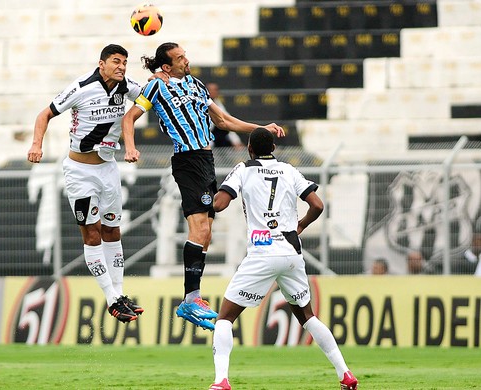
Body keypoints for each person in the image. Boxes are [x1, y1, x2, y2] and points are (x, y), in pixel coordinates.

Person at [122, 42, 285, 331]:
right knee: (199, 229)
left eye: (186, 54)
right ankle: (190, 299)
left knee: (206, 232)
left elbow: (222, 120)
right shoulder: (156, 87)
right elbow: (130, 117)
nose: (187, 59)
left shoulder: (196, 85)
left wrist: (261, 128)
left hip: (206, 159)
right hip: (187, 159)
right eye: (180, 57)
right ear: (167, 66)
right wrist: (131, 148)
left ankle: (191, 299)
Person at [209, 127, 358, 390]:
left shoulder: (243, 168)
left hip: (262, 252)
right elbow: (318, 205)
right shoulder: (289, 170)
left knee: (224, 319)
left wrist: (203, 195)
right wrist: (300, 225)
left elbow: (220, 204)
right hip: (291, 252)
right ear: (274, 149)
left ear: (250, 149)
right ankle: (345, 374)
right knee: (308, 317)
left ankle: (221, 380)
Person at [27, 44, 144, 323]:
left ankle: (120, 294)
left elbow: (150, 96)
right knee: (92, 233)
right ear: (101, 64)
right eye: (116, 61)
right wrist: (36, 145)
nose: (122, 67)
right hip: (80, 172)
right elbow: (44, 114)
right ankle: (111, 298)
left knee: (113, 231)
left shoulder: (126, 86)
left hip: (109, 169)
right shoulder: (80, 87)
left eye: (125, 63)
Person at [206, 83, 244, 150]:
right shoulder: (200, 104)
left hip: (220, 142)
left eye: (215, 90)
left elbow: (228, 124)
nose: (213, 92)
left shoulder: (219, 105)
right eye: (210, 90)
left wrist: (236, 142)